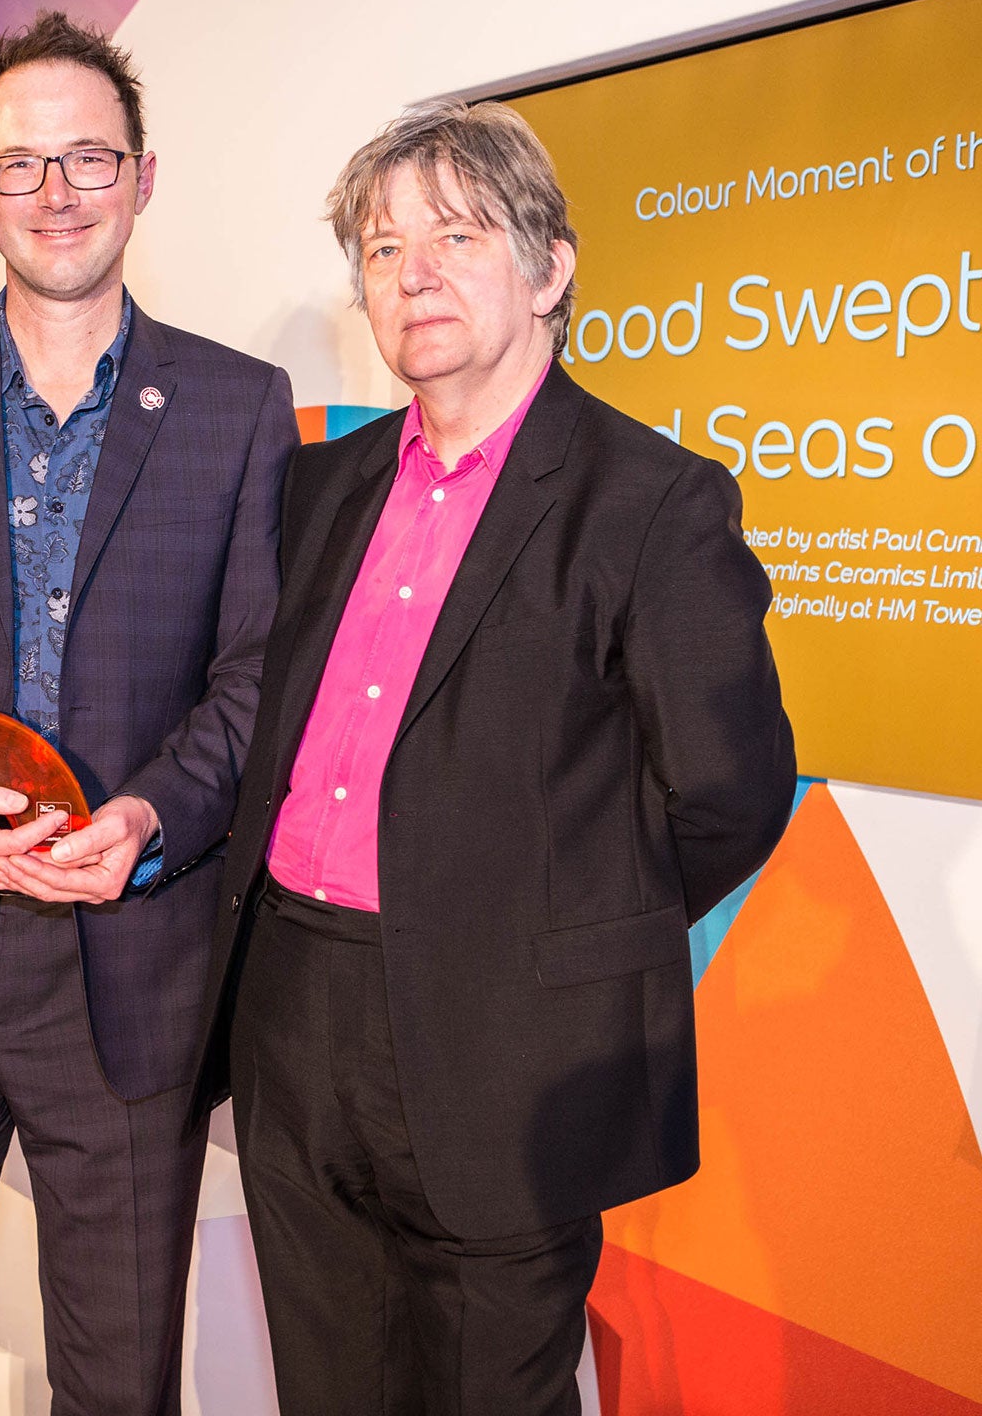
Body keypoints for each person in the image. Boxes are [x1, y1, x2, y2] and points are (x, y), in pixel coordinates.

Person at [195, 99, 797, 1415]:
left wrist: (544, 941)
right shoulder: (324, 487)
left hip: (504, 1047)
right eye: (382, 245)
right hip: (295, 1011)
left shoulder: (652, 501)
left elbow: (730, 795)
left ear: (550, 265)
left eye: (456, 235)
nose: (412, 271)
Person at [0, 11, 298, 1415]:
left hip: (130, 964)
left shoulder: (238, 405)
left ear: (143, 177)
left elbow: (259, 668)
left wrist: (149, 816)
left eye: (87, 157)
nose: (55, 191)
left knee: (117, 1382)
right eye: (18, 162)